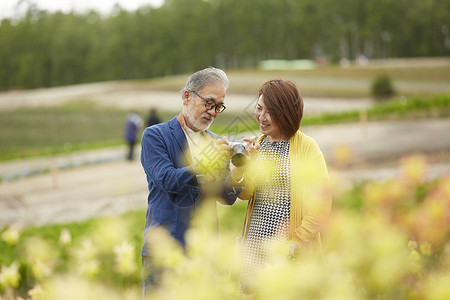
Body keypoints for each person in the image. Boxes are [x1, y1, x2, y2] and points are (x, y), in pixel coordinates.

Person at [140, 67, 245, 296]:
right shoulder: (155, 135)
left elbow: (225, 196)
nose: (213, 112)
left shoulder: (216, 142)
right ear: (187, 96)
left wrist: (237, 171)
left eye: (219, 106)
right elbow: (168, 180)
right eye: (209, 102)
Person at [239, 79, 332, 287]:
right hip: (255, 246)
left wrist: (296, 241)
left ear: (286, 113)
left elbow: (322, 203)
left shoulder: (307, 147)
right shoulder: (258, 144)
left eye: (269, 112)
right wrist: (247, 165)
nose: (261, 117)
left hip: (289, 250)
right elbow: (245, 195)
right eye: (259, 108)